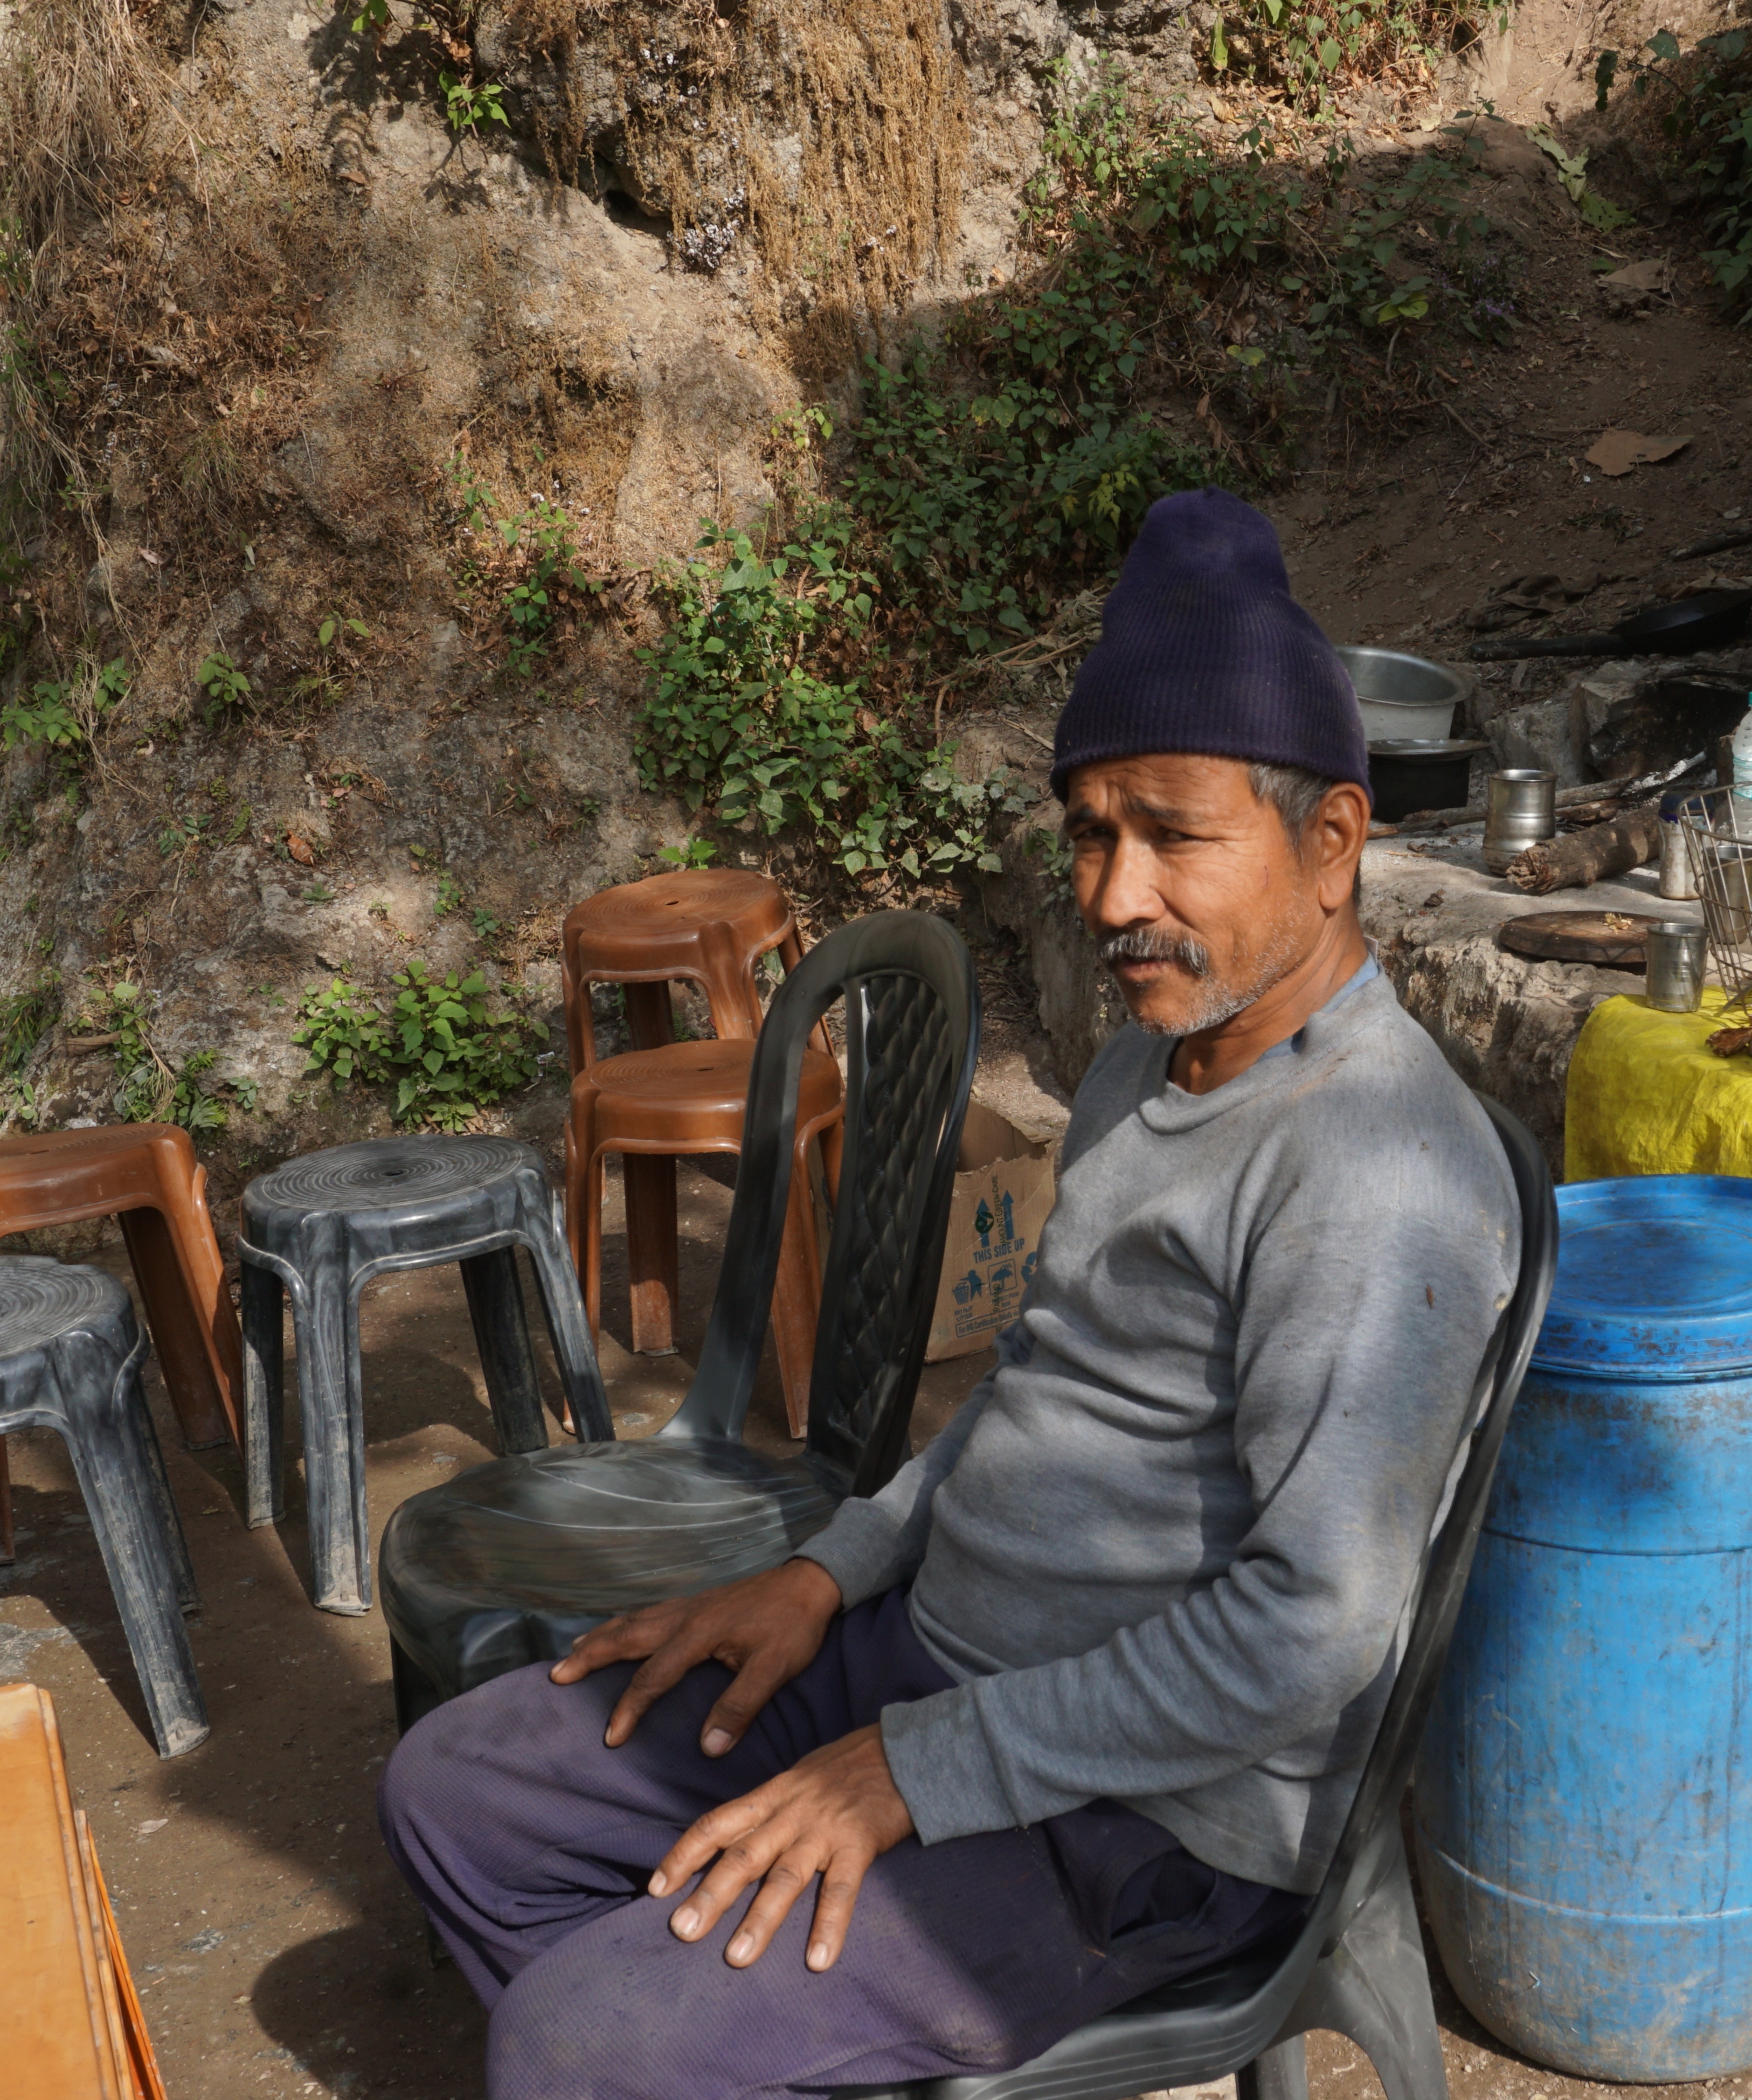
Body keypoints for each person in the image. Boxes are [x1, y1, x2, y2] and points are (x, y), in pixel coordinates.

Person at [380, 488, 1519, 2099]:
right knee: (458, 1792)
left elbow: (1308, 1630)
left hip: (1145, 1823)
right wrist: (828, 1572)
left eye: (1174, 835)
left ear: (1332, 843)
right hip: (926, 1666)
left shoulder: (1376, 1172)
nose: (1113, 896)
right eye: (1091, 832)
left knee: (576, 2041)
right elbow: (1031, 1390)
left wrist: (917, 1770)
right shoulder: (1142, 1067)